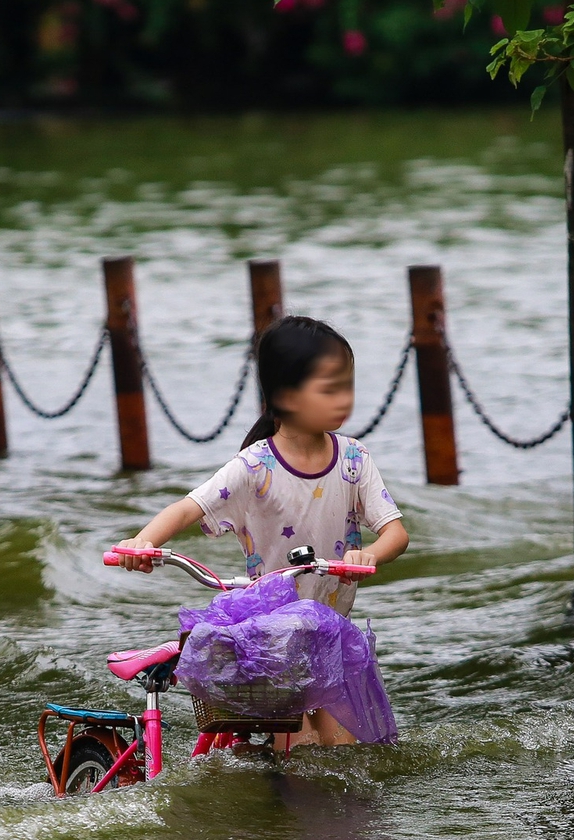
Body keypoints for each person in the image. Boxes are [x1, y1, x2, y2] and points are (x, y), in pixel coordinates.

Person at [118, 315, 409, 745]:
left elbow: (396, 533)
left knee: (351, 757)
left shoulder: (353, 459)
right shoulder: (254, 467)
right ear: (286, 396)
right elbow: (187, 507)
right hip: (275, 645)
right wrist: (143, 542)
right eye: (329, 388)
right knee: (300, 758)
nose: (344, 398)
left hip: (333, 636)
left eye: (347, 384)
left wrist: (371, 554)